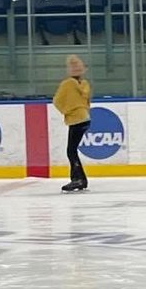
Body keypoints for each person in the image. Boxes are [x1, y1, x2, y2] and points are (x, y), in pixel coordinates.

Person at [52, 54, 91, 193]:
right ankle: (81, 179)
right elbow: (87, 101)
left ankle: (77, 179)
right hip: (85, 117)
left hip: (76, 119)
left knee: (71, 151)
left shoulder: (67, 83)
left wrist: (67, 111)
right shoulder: (85, 84)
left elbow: (57, 100)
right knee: (72, 150)